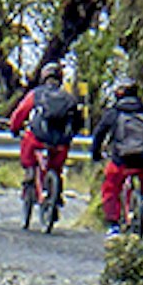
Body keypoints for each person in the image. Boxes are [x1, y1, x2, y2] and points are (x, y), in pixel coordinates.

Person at [9, 60, 84, 214]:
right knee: (56, 169)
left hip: (37, 139)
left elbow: (20, 113)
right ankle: (56, 193)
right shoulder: (69, 98)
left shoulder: (36, 94)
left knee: (29, 156)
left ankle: (30, 176)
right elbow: (78, 122)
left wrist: (14, 128)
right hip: (60, 143)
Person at [88, 76, 143, 233]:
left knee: (111, 188)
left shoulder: (113, 113)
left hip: (121, 160)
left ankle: (113, 225)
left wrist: (96, 154)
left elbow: (99, 134)